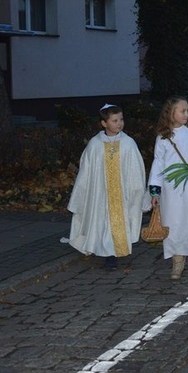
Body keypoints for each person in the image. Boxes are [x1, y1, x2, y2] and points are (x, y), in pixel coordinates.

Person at [67, 104, 147, 270]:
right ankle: (104, 250)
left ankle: (112, 254)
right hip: (100, 194)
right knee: (102, 221)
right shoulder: (95, 145)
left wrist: (137, 190)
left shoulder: (128, 143)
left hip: (121, 194)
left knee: (117, 221)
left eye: (121, 119)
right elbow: (86, 171)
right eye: (115, 120)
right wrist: (82, 192)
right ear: (104, 123)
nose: (119, 124)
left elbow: (136, 169)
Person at [148, 97, 188, 280]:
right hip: (170, 188)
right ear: (170, 113)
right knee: (172, 223)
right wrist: (154, 190)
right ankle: (177, 260)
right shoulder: (163, 137)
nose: (186, 114)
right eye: (182, 111)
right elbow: (158, 162)